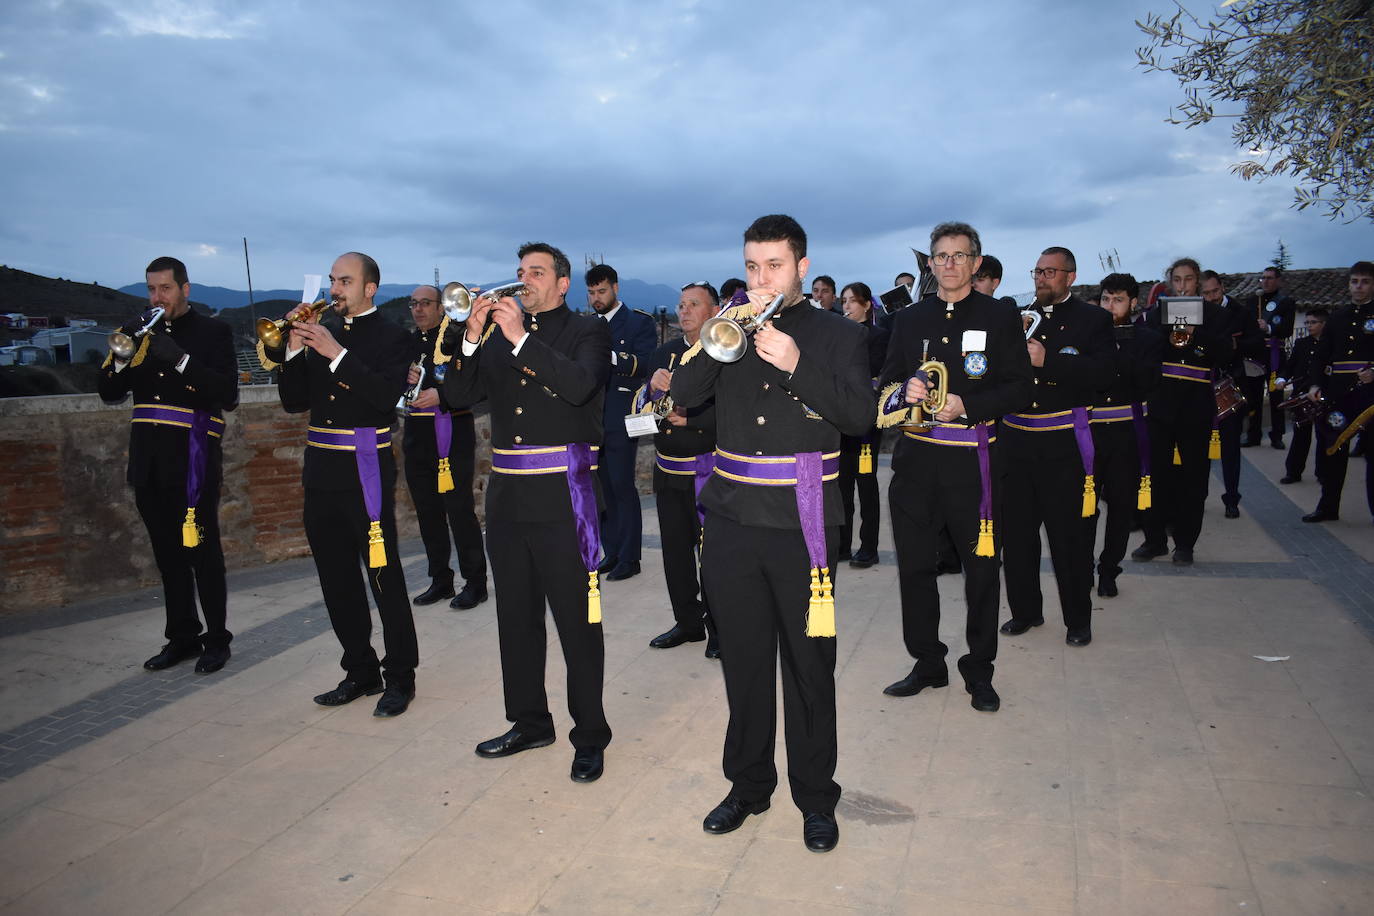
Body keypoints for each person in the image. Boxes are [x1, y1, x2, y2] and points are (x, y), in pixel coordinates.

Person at [671, 214, 872, 853]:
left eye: (775, 266)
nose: (762, 278)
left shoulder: (838, 335)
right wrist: (714, 335)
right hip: (731, 519)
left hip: (804, 523)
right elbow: (684, 393)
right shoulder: (725, 328)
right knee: (745, 662)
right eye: (753, 266)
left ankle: (816, 796)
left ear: (802, 268)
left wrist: (795, 362)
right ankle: (747, 786)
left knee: (810, 667)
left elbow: (860, 418)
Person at [443, 241, 613, 783]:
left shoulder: (587, 331)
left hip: (565, 494)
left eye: (536, 273)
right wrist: (471, 337)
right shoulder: (492, 336)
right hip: (509, 494)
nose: (524, 281)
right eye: (520, 272)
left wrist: (517, 338)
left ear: (563, 283)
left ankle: (589, 735)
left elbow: (580, 387)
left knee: (576, 621)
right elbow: (455, 395)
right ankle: (529, 722)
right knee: (514, 616)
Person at [879, 222, 1032, 710]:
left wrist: (966, 404)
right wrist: (907, 392)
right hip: (917, 462)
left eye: (959, 255)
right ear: (929, 264)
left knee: (982, 572)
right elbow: (883, 389)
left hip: (975, 464)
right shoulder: (908, 320)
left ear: (976, 262)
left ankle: (979, 669)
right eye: (940, 256)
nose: (948, 264)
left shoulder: (999, 316)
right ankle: (928, 663)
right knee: (916, 570)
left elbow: (1019, 388)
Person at [278, 252, 419, 717]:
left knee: (383, 573)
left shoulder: (395, 338)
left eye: (345, 281)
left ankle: (401, 676)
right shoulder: (323, 333)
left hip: (366, 467)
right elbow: (293, 401)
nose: (335, 289)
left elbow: (384, 400)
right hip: (321, 469)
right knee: (335, 576)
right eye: (334, 280)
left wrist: (334, 354)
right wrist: (295, 349)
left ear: (370, 288)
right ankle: (359, 670)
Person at [98, 256, 238, 673]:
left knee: (203, 551)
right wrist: (124, 355)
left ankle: (217, 639)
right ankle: (182, 637)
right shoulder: (135, 332)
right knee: (167, 555)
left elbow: (226, 393)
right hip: (148, 459)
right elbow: (108, 392)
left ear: (185, 289)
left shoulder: (214, 331)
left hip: (192, 458)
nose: (157, 297)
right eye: (151, 289)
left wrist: (179, 358)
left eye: (165, 289)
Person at [999, 246, 1114, 647]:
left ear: (1070, 276)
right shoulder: (1017, 318)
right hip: (1015, 440)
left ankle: (1078, 620)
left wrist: (1049, 361)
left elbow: (1104, 375)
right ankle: (1025, 611)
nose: (1041, 278)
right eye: (1037, 271)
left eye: (1050, 271)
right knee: (1017, 536)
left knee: (1070, 537)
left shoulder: (1093, 320)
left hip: (1062, 442)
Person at [1132, 258, 1234, 564]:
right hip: (1161, 403)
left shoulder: (1215, 314)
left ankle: (1185, 543)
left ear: (1198, 282)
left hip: (1196, 405)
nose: (1182, 285)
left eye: (1188, 280)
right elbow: (1144, 350)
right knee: (1154, 475)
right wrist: (1167, 330)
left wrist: (1195, 333)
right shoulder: (1154, 316)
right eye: (1176, 280)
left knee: (1194, 478)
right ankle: (1154, 540)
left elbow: (1226, 352)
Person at [642, 281, 721, 656]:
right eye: (680, 304)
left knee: (714, 555)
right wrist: (650, 391)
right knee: (675, 553)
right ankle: (688, 623)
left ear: (713, 311)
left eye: (693, 304)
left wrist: (694, 420)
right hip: (667, 469)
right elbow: (643, 412)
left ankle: (720, 628)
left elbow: (735, 412)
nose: (684, 311)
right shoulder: (665, 352)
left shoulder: (723, 352)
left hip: (708, 470)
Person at [401, 286, 488, 610]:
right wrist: (405, 381)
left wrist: (442, 395)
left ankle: (475, 582)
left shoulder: (453, 338)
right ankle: (440, 580)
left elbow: (477, 383)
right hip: (417, 435)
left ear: (441, 308)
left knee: (459, 511)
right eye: (414, 303)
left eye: (425, 303)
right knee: (428, 513)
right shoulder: (407, 343)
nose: (418, 309)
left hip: (452, 433)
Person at [1088, 274, 1162, 597]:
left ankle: (1109, 569)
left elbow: (1146, 384)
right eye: (1105, 299)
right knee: (1084, 505)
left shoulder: (1148, 340)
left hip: (1127, 433)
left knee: (1120, 506)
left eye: (1117, 300)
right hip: (1088, 433)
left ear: (1133, 303)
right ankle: (1080, 567)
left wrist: (1117, 347)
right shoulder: (1088, 336)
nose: (1109, 306)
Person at [587, 263, 656, 582]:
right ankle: (611, 550)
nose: (596, 298)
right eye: (591, 293)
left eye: (601, 291)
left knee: (622, 486)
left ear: (615, 288)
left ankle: (630, 557)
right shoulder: (587, 326)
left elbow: (647, 365)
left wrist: (610, 356)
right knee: (600, 490)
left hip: (621, 416)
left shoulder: (637, 322)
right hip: (592, 418)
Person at [1303, 261, 1374, 524]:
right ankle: (1328, 507)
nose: (1359, 286)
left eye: (1365, 281)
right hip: (1340, 396)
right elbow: (1321, 357)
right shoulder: (1337, 318)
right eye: (1355, 281)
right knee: (1333, 450)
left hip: (1371, 397)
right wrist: (1314, 385)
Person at [1203, 270, 1263, 519]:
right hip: (1201, 388)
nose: (1211, 297)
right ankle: (1197, 498)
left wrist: (1235, 346)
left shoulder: (1241, 312)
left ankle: (1232, 499)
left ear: (1223, 288)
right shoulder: (1196, 312)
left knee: (1230, 448)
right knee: (1198, 449)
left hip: (1230, 386)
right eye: (1205, 293)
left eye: (1214, 291)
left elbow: (1257, 342)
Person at [837, 281, 889, 568]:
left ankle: (869, 546)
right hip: (841, 418)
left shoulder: (879, 335)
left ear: (867, 305)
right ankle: (843, 544)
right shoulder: (839, 334)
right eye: (843, 301)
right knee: (841, 485)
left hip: (867, 419)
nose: (847, 306)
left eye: (852, 301)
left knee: (866, 485)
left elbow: (875, 371)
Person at [1242, 266, 1298, 448]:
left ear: (1278, 281)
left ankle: (1277, 435)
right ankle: (1253, 435)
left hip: (1274, 355)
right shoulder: (1252, 301)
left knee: (1275, 396)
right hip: (1255, 355)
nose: (1265, 281)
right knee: (1254, 397)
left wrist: (1269, 328)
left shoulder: (1286, 303)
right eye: (1263, 278)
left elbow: (1288, 330)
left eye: (1270, 278)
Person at [1278, 309, 1327, 485]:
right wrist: (1282, 378)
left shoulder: (1330, 344)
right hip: (1301, 394)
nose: (1308, 326)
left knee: (1324, 435)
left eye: (1312, 322)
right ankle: (1293, 472)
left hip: (1322, 395)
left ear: (1323, 324)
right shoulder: (1301, 343)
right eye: (1306, 322)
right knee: (1300, 435)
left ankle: (1323, 472)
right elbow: (1290, 365)